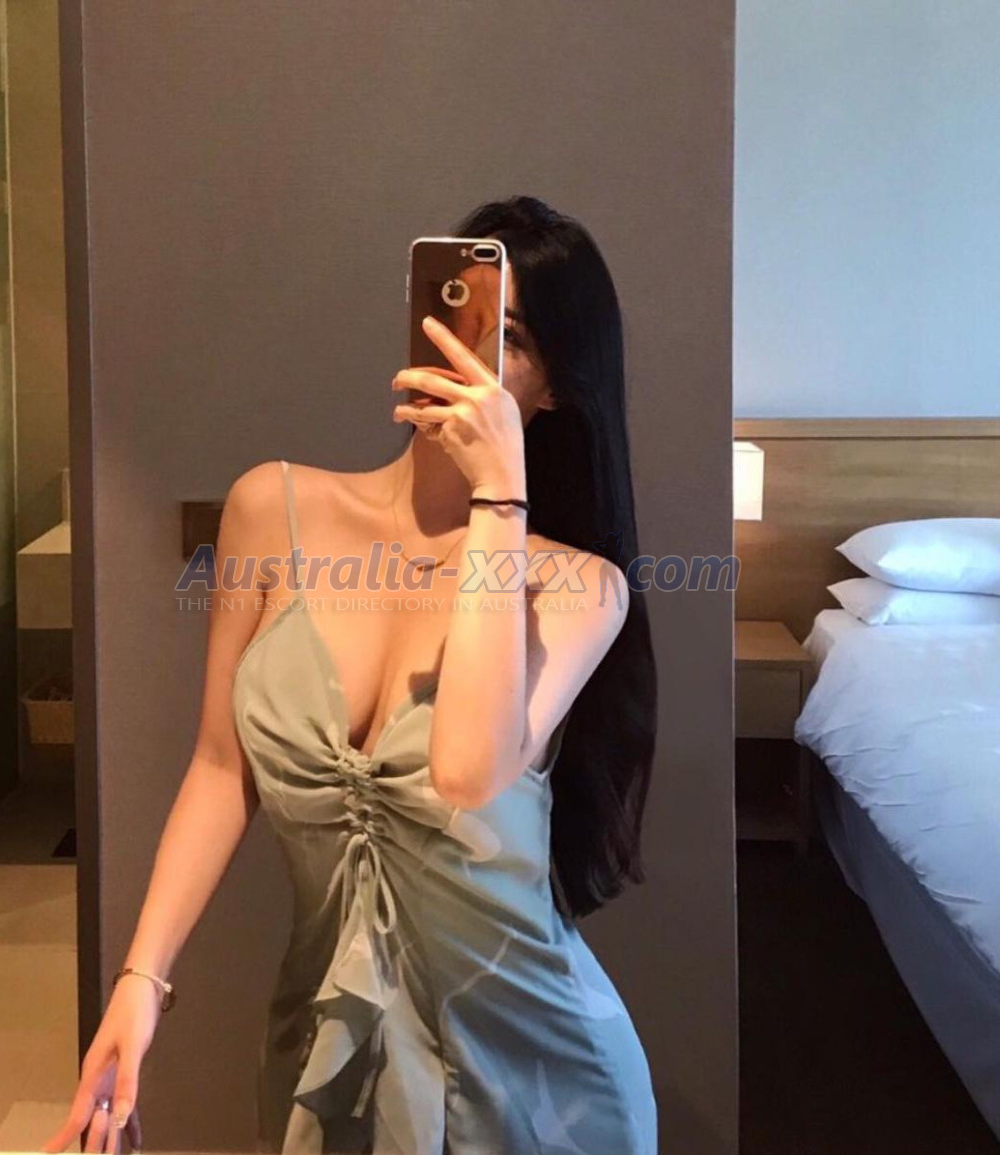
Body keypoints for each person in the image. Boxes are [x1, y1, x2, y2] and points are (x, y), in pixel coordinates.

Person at [42, 195, 658, 1155]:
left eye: (511, 339)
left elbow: (464, 770)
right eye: (459, 315)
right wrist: (140, 982)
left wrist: (501, 496)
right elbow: (220, 766)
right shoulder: (271, 511)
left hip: (540, 1082)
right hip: (327, 1055)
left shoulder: (576, 588)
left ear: (551, 392)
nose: (468, 353)